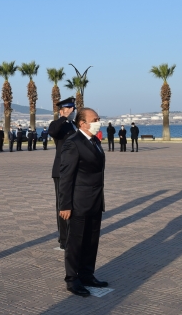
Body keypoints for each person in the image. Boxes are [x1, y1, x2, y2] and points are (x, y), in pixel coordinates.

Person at [58, 107, 108, 297]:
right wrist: (65, 205)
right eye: (94, 119)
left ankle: (87, 274)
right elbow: (66, 176)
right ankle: (72, 279)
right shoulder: (73, 143)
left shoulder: (94, 141)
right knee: (76, 242)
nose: (98, 121)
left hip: (95, 200)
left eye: (98, 118)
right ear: (82, 123)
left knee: (91, 240)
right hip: (78, 202)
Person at [48, 97, 78, 250]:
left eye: (73, 109)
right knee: (62, 205)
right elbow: (52, 131)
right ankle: (64, 239)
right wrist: (64, 117)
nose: (72, 111)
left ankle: (72, 235)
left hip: (75, 171)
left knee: (73, 204)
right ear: (61, 111)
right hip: (61, 171)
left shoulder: (74, 126)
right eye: (69, 109)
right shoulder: (58, 125)